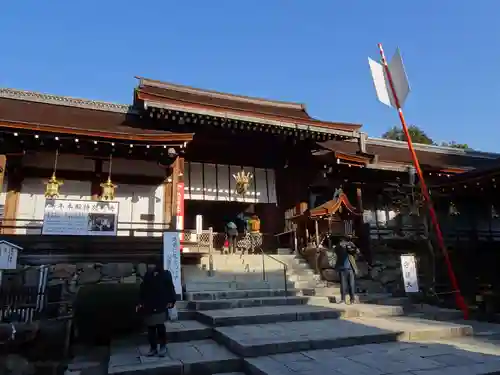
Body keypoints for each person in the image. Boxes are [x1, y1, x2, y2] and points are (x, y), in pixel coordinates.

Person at [137, 262, 177, 357]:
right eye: (149, 265)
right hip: (149, 305)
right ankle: (153, 348)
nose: (150, 266)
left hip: (161, 304)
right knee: (150, 328)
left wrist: (171, 300)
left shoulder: (165, 274)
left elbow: (170, 288)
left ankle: (163, 346)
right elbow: (142, 290)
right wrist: (140, 302)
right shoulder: (147, 275)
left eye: (152, 264)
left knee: (160, 327)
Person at [334, 235, 360, 304]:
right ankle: (343, 299)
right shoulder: (338, 247)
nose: (344, 242)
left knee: (351, 284)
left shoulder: (351, 245)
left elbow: (357, 251)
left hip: (350, 268)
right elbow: (336, 251)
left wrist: (351, 247)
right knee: (343, 285)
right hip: (342, 268)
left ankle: (352, 299)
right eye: (342, 240)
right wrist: (342, 246)